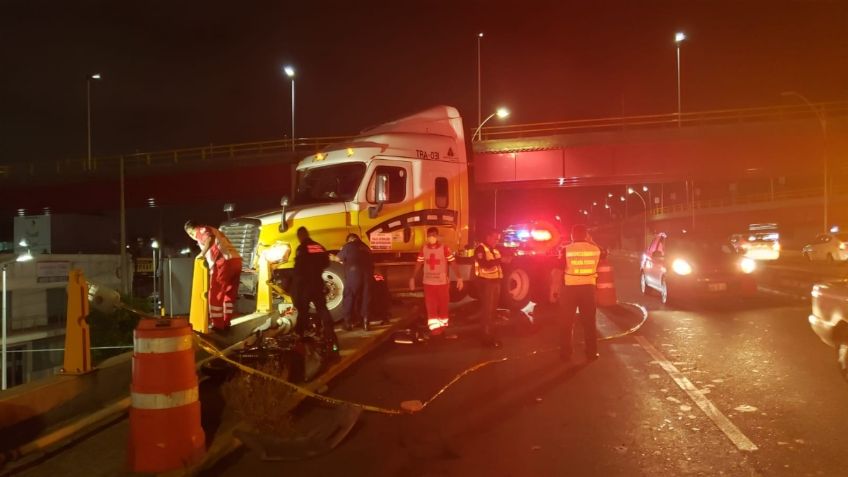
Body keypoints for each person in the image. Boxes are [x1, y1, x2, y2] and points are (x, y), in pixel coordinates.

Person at [184, 221, 242, 331]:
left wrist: (201, 255)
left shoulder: (200, 230)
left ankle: (218, 325)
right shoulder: (213, 228)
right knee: (228, 294)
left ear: (189, 232)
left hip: (222, 262)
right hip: (236, 260)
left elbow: (209, 239)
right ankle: (226, 321)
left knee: (216, 294)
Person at [292, 226, 340, 353]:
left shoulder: (301, 248)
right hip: (318, 282)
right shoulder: (318, 246)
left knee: (303, 310)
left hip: (306, 283)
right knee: (322, 308)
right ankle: (330, 335)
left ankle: (299, 335)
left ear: (300, 236)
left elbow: (298, 268)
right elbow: (326, 262)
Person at [558, 223, 602, 362]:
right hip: (588, 289)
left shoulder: (566, 250)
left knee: (567, 322)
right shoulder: (595, 249)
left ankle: (566, 353)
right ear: (586, 235)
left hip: (570, 289)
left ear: (572, 235)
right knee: (589, 322)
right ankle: (591, 353)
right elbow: (604, 253)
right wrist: (590, 240)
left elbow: (559, 268)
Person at [409, 227, 463, 335]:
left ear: (437, 236)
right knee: (431, 306)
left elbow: (453, 263)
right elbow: (419, 263)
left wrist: (459, 277)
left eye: (433, 235)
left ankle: (442, 326)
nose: (431, 237)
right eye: (429, 235)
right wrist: (412, 278)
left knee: (443, 305)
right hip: (428, 283)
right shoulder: (424, 248)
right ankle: (434, 329)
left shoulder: (444, 248)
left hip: (442, 283)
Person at [474, 229, 506, 348]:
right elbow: (484, 264)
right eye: (495, 238)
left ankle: (490, 336)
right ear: (488, 237)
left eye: (498, 239)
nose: (496, 241)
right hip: (487, 283)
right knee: (487, 312)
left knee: (492, 312)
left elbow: (497, 265)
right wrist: (500, 260)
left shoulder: (495, 250)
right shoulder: (480, 249)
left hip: (495, 283)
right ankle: (486, 339)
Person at [334, 233, 373, 331]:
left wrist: (331, 257)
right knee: (365, 298)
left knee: (349, 296)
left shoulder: (349, 246)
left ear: (350, 239)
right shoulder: (366, 247)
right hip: (368, 275)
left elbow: (338, 258)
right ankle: (365, 323)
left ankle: (347, 323)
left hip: (354, 274)